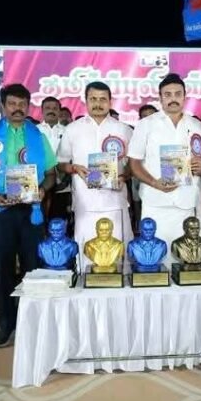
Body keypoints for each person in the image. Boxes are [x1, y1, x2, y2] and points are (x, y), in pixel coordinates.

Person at [0, 83, 57, 348]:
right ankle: (6, 323)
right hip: (1, 211)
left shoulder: (39, 137)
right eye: (12, 104)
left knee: (33, 267)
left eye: (22, 104)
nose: (17, 109)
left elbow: (51, 174)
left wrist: (43, 189)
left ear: (28, 106)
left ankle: (33, 322)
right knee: (4, 268)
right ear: (3, 106)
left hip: (31, 212)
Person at [128, 73, 201, 245]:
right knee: (156, 252)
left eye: (177, 94)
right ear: (160, 98)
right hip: (155, 200)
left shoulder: (196, 126)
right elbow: (134, 163)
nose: (173, 99)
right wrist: (154, 182)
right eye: (168, 94)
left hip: (187, 200)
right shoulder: (146, 124)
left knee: (186, 254)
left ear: (184, 96)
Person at [57, 82, 134, 266]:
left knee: (120, 258)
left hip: (115, 202)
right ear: (86, 101)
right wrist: (74, 168)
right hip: (85, 203)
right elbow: (60, 164)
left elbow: (134, 165)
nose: (98, 104)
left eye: (102, 99)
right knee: (86, 257)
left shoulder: (124, 130)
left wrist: (124, 176)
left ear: (110, 102)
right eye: (93, 99)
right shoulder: (72, 129)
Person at [38, 96, 70, 221]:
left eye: (55, 108)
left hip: (63, 186)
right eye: (47, 108)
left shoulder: (68, 131)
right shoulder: (34, 131)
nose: (51, 111)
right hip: (40, 186)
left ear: (59, 111)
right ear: (42, 110)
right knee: (40, 222)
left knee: (59, 223)